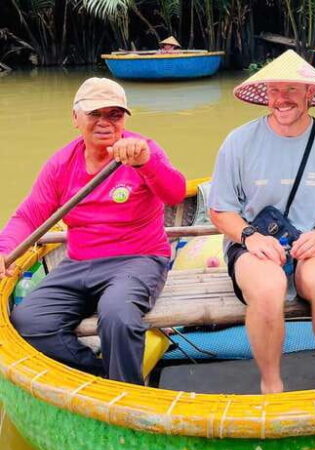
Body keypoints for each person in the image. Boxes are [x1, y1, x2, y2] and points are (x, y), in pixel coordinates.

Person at [0, 78, 186, 385]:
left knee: (118, 315)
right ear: (76, 118)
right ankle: (102, 379)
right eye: (94, 114)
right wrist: (5, 248)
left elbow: (175, 193)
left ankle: (128, 398)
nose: (105, 123)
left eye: (114, 114)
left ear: (125, 118)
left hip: (137, 260)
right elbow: (28, 216)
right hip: (78, 263)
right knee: (29, 321)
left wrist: (145, 163)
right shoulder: (61, 164)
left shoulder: (143, 150)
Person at [208, 49, 315, 393]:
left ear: (310, 94)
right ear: (266, 96)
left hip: (310, 243)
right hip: (252, 244)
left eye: (292, 90)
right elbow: (220, 210)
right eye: (275, 90)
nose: (282, 99)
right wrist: (249, 237)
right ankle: (272, 384)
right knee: (268, 289)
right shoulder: (239, 142)